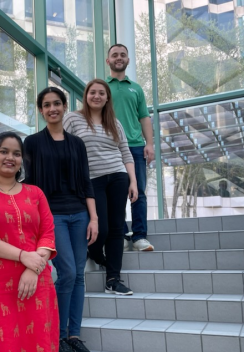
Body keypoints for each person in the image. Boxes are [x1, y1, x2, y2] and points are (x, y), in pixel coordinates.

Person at [0, 132, 59, 352]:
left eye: (16, 153)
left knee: (40, 340)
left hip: (37, 279)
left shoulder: (35, 193)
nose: (10, 157)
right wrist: (24, 256)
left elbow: (48, 233)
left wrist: (33, 268)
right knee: (2, 340)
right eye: (4, 151)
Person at [23, 87, 98, 352]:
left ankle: (73, 337)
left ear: (65, 106)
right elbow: (28, 184)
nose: (52, 108)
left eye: (57, 103)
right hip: (51, 215)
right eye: (46, 105)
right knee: (67, 272)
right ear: (41, 110)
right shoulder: (31, 143)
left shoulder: (77, 143)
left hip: (79, 214)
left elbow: (86, 182)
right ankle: (58, 334)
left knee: (78, 275)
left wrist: (94, 218)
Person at [64, 78, 138, 296]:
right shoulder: (73, 119)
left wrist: (133, 181)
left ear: (107, 98)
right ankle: (95, 252)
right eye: (92, 92)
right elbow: (62, 145)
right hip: (90, 180)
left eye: (101, 93)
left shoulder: (115, 123)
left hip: (118, 177)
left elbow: (125, 152)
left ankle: (113, 279)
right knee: (101, 228)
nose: (96, 96)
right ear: (86, 96)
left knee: (117, 229)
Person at [106, 44, 156, 252]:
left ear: (128, 60)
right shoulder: (102, 87)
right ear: (108, 60)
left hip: (135, 146)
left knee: (139, 193)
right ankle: (120, 231)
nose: (119, 58)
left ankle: (139, 236)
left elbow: (144, 117)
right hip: (108, 147)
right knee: (111, 193)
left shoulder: (136, 88)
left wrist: (150, 144)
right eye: (115, 55)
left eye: (123, 55)